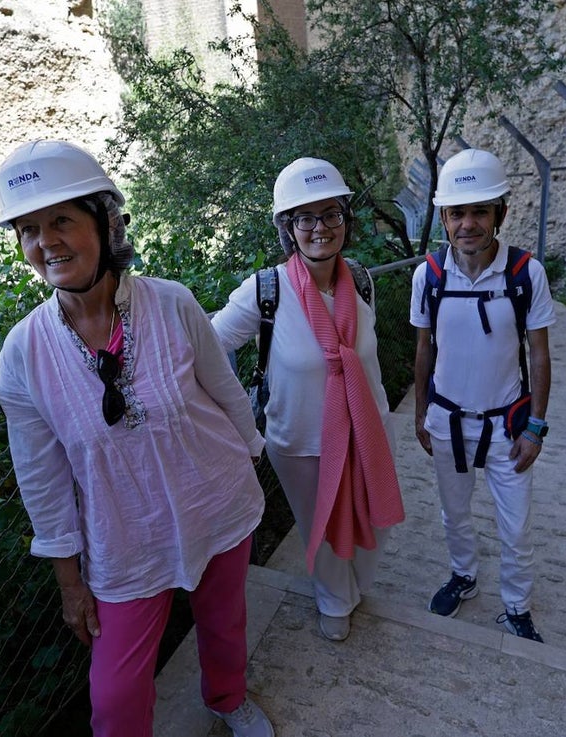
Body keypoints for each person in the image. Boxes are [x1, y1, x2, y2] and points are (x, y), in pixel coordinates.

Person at [0, 139, 274, 737]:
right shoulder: (23, 351)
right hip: (124, 537)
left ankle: (228, 699)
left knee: (224, 622)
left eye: (61, 221)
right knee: (116, 696)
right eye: (29, 229)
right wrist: (70, 582)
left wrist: (253, 454)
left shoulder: (170, 304)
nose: (46, 242)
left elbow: (224, 389)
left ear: (105, 222)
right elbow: (41, 479)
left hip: (216, 499)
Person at [211, 157, 405, 643]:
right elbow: (208, 345)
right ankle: (334, 598)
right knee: (321, 523)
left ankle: (356, 584)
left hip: (370, 428)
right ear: (288, 228)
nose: (321, 227)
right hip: (299, 439)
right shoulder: (266, 290)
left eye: (331, 213)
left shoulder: (360, 280)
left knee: (374, 515)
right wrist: (233, 414)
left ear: (345, 219)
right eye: (306, 217)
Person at [410, 148, 555, 642]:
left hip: (507, 427)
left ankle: (516, 605)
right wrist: (420, 413)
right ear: (444, 219)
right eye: (457, 213)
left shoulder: (525, 273)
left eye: (479, 211)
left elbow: (539, 354)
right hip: (448, 421)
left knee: (516, 526)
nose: (467, 223)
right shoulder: (429, 275)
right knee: (454, 514)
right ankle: (463, 576)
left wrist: (535, 428)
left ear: (500, 214)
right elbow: (424, 348)